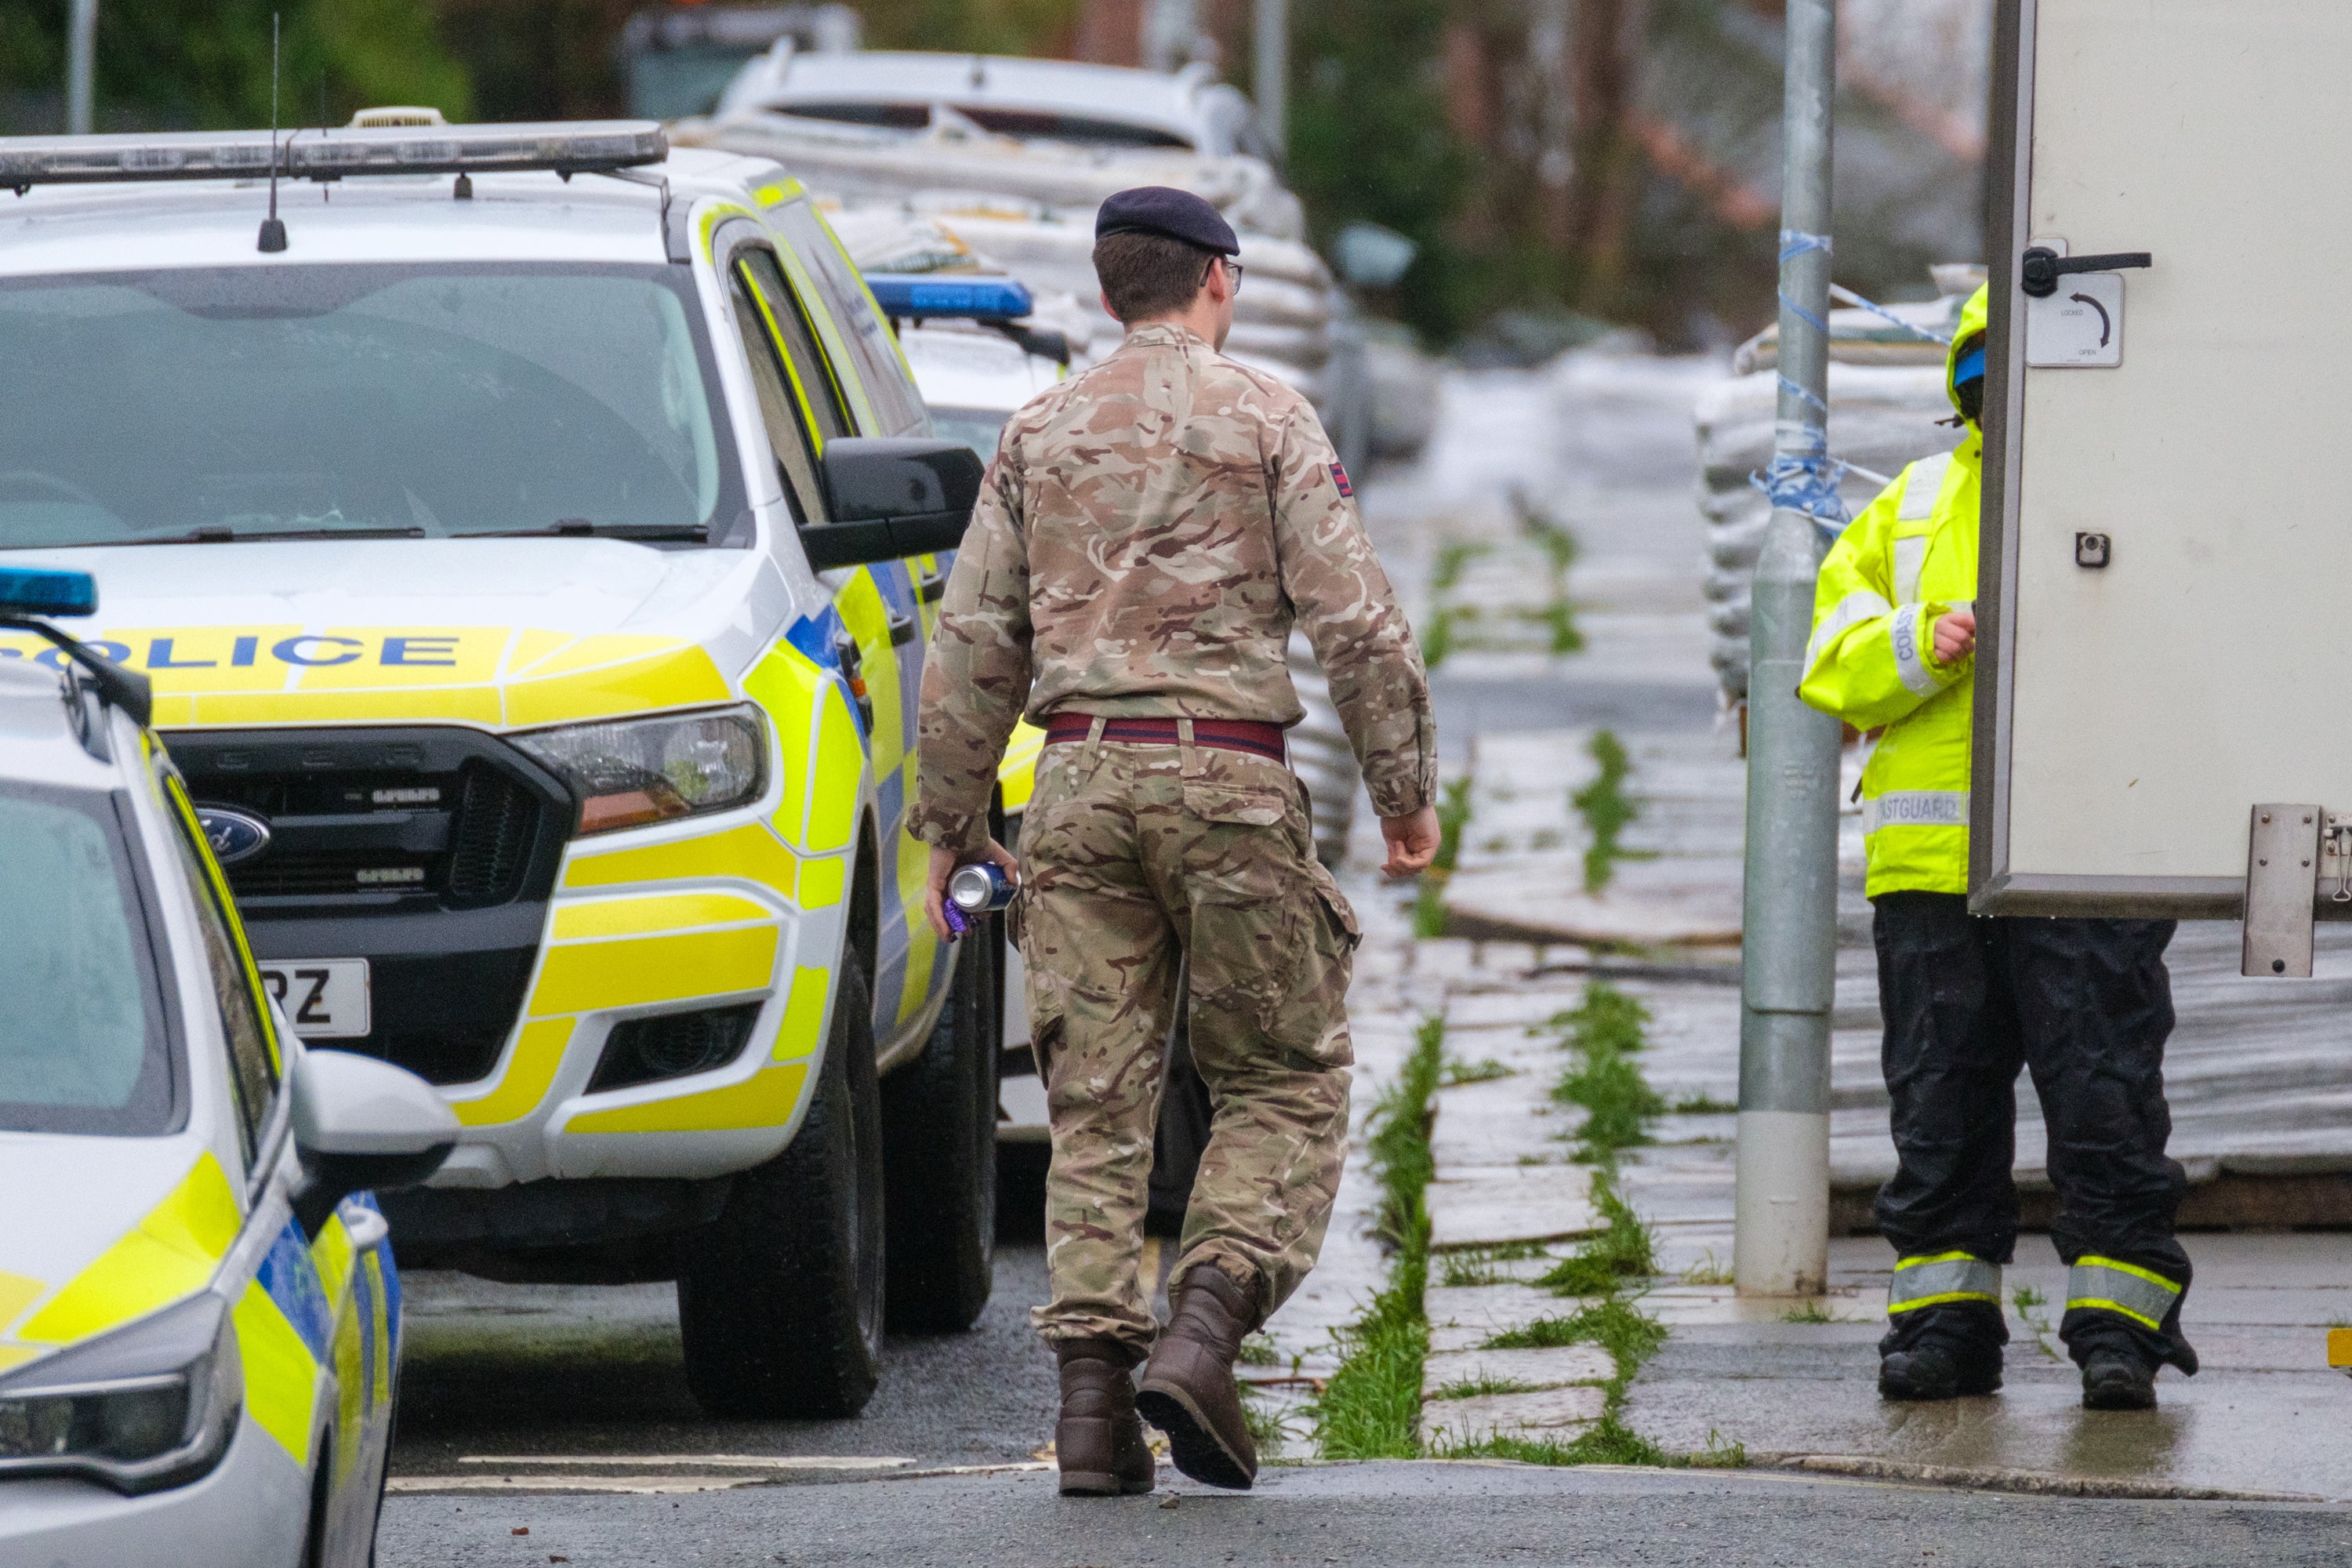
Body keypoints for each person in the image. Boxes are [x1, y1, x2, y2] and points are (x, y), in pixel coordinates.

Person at [909, 185, 1439, 1493]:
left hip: (1079, 785)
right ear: (1219, 280)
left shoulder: (1036, 432)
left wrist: (949, 825)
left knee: (1096, 1102)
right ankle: (1202, 1332)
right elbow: (1357, 622)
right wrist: (1404, 789)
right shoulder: (1269, 416)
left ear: (1105, 293)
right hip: (1230, 786)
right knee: (1281, 1074)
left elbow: (972, 645)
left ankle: (1092, 1417)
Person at [1799, 284, 2197, 1412]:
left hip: (2090, 858)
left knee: (2106, 1102)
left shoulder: (2138, 501)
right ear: (1966, 390)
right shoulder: (1913, 505)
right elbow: (1828, 659)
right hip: (1933, 876)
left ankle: (2119, 1331)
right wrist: (1922, 649)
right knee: (1941, 1111)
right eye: (1989, 379)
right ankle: (1945, 1328)